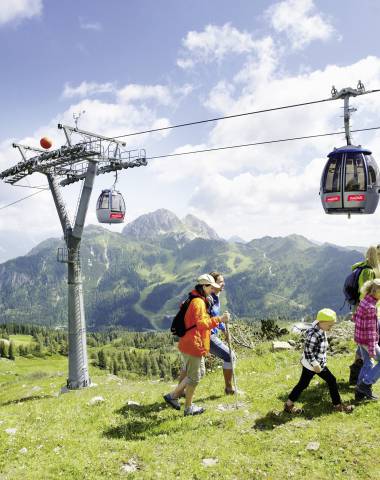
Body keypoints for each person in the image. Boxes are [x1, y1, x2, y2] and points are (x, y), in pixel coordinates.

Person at [163, 274, 231, 416]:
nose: (213, 290)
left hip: (190, 342)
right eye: (211, 287)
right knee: (194, 377)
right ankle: (187, 407)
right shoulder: (199, 303)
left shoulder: (194, 298)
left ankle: (174, 396)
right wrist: (220, 319)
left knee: (199, 374)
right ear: (204, 286)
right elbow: (201, 324)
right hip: (194, 343)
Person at [284, 308, 353, 414]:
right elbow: (308, 351)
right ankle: (289, 405)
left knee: (329, 381)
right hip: (312, 366)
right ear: (321, 322)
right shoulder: (314, 334)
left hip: (319, 364)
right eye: (330, 325)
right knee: (304, 384)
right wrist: (315, 364)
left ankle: (337, 404)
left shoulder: (322, 329)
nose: (331, 328)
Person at [348, 245, 380, 385]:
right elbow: (364, 291)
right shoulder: (368, 271)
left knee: (364, 349)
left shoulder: (370, 268)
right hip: (367, 311)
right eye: (378, 254)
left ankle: (359, 383)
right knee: (365, 348)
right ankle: (359, 380)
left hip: (366, 310)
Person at [208, 271, 236, 395]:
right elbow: (211, 318)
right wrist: (222, 323)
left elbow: (215, 317)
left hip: (205, 334)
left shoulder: (215, 297)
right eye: (220, 282)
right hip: (207, 335)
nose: (223, 284)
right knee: (230, 356)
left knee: (192, 365)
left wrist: (223, 329)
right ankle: (229, 388)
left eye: (223, 281)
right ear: (213, 284)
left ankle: (178, 393)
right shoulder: (210, 299)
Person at [354, 279, 380, 401]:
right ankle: (366, 384)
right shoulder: (371, 307)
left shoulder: (364, 300)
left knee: (368, 363)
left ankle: (359, 392)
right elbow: (370, 331)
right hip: (367, 341)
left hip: (360, 338)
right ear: (376, 291)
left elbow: (356, 318)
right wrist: (371, 349)